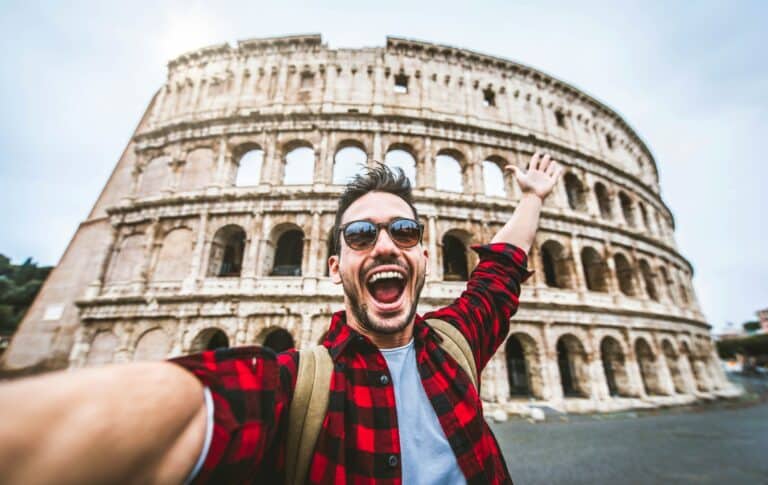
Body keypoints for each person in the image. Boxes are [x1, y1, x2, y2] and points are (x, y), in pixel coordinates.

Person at [0, 152, 562, 484]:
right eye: (363, 234)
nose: (386, 245)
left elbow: (501, 270)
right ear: (336, 264)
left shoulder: (458, 340)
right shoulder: (296, 385)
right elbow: (192, 407)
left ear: (423, 255)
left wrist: (533, 197)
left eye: (405, 232)